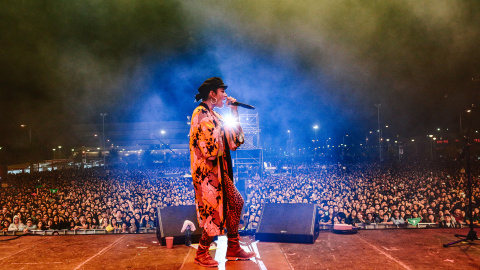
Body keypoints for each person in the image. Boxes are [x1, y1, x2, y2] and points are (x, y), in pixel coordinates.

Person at [189, 77, 255, 267]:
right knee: (212, 212)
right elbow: (210, 150)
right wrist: (222, 128)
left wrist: (233, 111)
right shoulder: (200, 114)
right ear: (212, 94)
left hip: (219, 172)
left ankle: (233, 247)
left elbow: (235, 141)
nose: (225, 95)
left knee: (235, 203)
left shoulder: (215, 116)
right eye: (222, 92)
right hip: (207, 174)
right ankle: (201, 252)